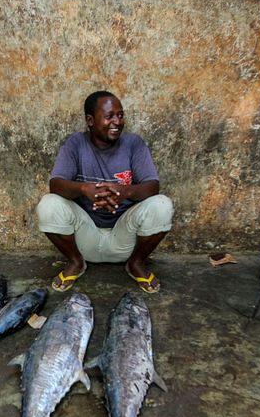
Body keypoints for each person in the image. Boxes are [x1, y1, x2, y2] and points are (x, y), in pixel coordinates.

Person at [36, 91, 173, 293]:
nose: (117, 121)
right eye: (109, 116)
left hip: (124, 238)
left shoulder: (134, 144)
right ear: (90, 120)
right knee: (48, 204)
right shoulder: (75, 144)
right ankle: (76, 263)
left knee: (162, 205)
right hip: (85, 239)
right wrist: (84, 189)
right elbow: (56, 184)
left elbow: (152, 186)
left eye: (120, 115)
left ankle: (136, 264)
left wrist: (124, 192)